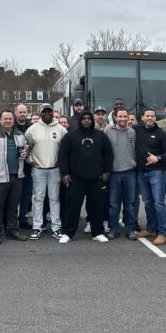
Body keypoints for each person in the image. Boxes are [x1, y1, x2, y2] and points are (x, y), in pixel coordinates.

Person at [58, 110, 114, 243]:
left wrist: (107, 171)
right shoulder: (70, 136)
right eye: (84, 118)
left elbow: (109, 155)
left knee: (97, 207)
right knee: (72, 206)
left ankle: (98, 232)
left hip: (96, 178)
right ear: (80, 121)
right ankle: (68, 233)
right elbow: (62, 155)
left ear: (92, 120)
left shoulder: (101, 136)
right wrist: (65, 173)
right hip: (75, 178)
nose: (87, 120)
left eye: (89, 118)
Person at [0, 110, 29, 244]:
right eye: (5, 119)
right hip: (0, 176)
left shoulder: (20, 135)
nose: (8, 121)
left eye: (10, 119)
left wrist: (26, 153)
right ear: (0, 121)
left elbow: (26, 148)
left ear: (13, 121)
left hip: (17, 176)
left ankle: (12, 230)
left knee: (13, 206)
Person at [24, 104, 66, 240]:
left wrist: (62, 162)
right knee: (38, 199)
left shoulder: (61, 129)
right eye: (44, 112)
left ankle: (56, 227)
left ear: (53, 113)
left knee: (54, 199)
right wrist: (30, 160)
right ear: (40, 113)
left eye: (49, 111)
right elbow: (26, 147)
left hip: (54, 170)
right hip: (38, 170)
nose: (47, 114)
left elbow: (66, 150)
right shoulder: (32, 129)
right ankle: (37, 227)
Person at [134, 108, 166, 246]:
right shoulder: (137, 130)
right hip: (142, 173)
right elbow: (122, 126)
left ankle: (162, 233)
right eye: (147, 116)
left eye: (152, 116)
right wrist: (111, 125)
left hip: (157, 172)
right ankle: (151, 229)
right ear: (142, 117)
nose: (150, 118)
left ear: (155, 118)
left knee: (159, 203)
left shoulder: (161, 133)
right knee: (148, 203)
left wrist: (158, 158)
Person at [106, 109, 137, 240]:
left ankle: (130, 230)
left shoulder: (132, 132)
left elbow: (135, 149)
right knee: (113, 204)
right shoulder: (108, 131)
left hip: (130, 172)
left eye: (125, 116)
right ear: (115, 117)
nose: (123, 118)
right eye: (120, 116)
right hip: (114, 173)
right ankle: (114, 229)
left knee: (130, 203)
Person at [14, 103, 33, 229]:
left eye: (24, 112)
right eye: (20, 112)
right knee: (14, 194)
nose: (22, 114)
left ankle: (23, 217)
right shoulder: (10, 126)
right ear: (15, 112)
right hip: (13, 165)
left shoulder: (32, 128)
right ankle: (11, 218)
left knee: (26, 193)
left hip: (27, 165)